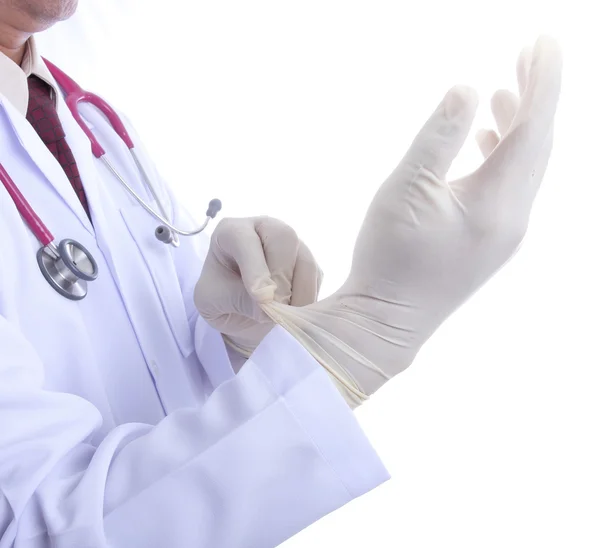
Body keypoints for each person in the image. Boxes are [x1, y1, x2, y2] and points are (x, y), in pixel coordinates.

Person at [0, 0, 562, 546]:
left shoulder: (90, 120)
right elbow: (39, 532)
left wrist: (233, 343)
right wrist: (355, 337)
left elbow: (155, 390)